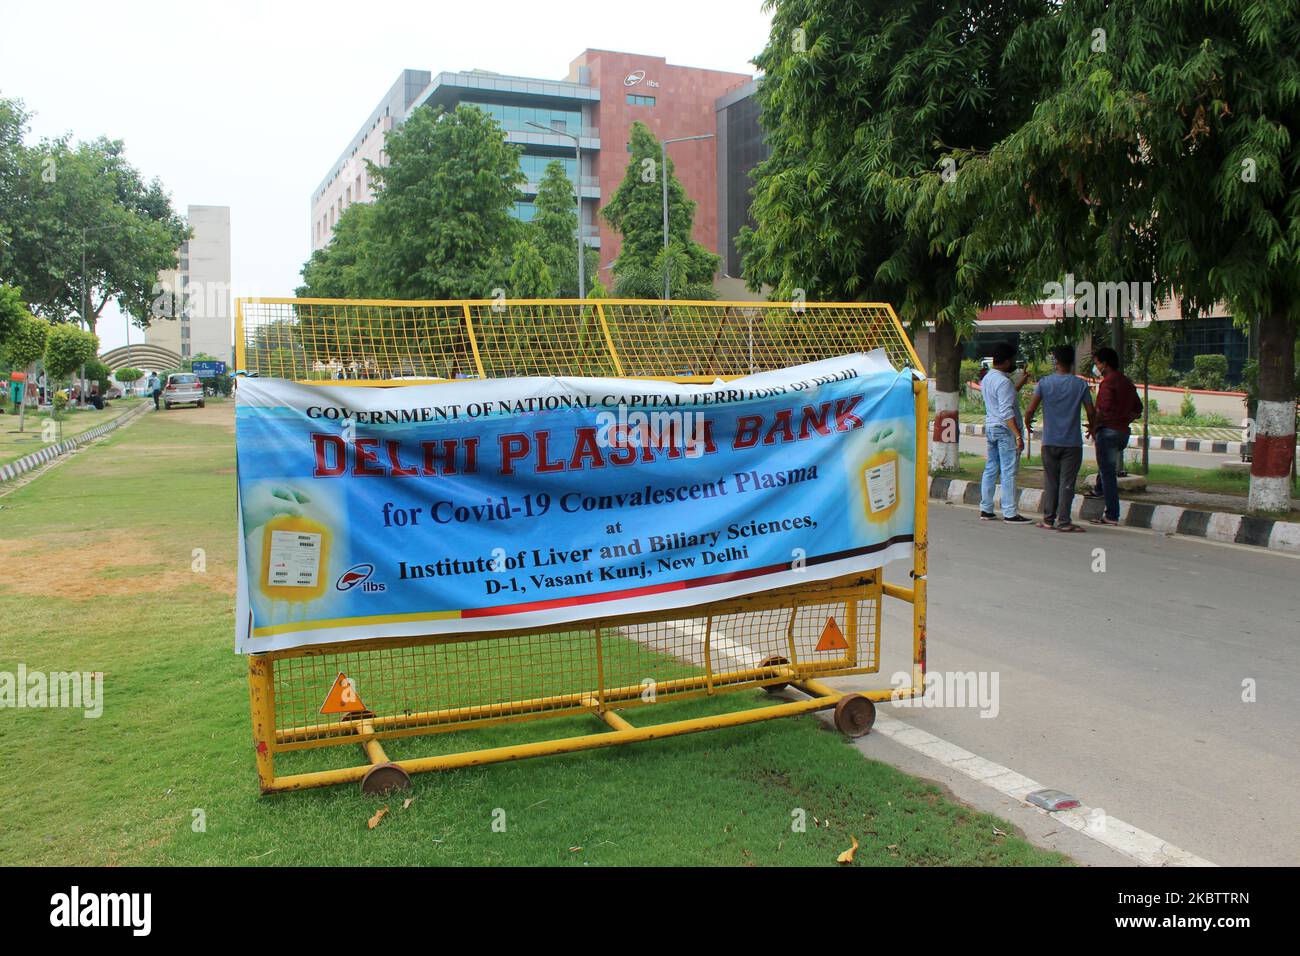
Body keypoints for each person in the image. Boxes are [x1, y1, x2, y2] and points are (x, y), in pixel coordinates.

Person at [1023, 345, 1096, 532]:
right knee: (1067, 483)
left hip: (1049, 441)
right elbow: (1090, 411)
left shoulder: (1044, 383)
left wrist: (1027, 422)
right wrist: (1092, 429)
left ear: (1055, 361)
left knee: (1051, 482)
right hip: (1071, 442)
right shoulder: (1080, 385)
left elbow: (1030, 410)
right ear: (1072, 362)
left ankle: (1048, 519)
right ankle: (1064, 521)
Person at [1089, 346, 1142, 526]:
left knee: (1108, 473)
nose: (1096, 367)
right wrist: (1124, 419)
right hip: (1122, 432)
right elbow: (1138, 409)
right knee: (1106, 466)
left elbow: (1102, 410)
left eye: (1097, 363)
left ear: (1105, 364)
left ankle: (1111, 514)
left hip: (1108, 430)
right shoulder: (1126, 382)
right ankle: (1098, 489)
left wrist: (1094, 428)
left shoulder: (1108, 383)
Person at [979, 342, 1030, 523]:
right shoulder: (1003, 382)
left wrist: (1021, 383)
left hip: (992, 427)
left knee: (991, 468)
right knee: (1008, 471)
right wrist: (1017, 435)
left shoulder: (988, 378)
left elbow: (1004, 398)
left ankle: (986, 508)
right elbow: (1007, 411)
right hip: (1005, 429)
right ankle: (1009, 512)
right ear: (1008, 361)